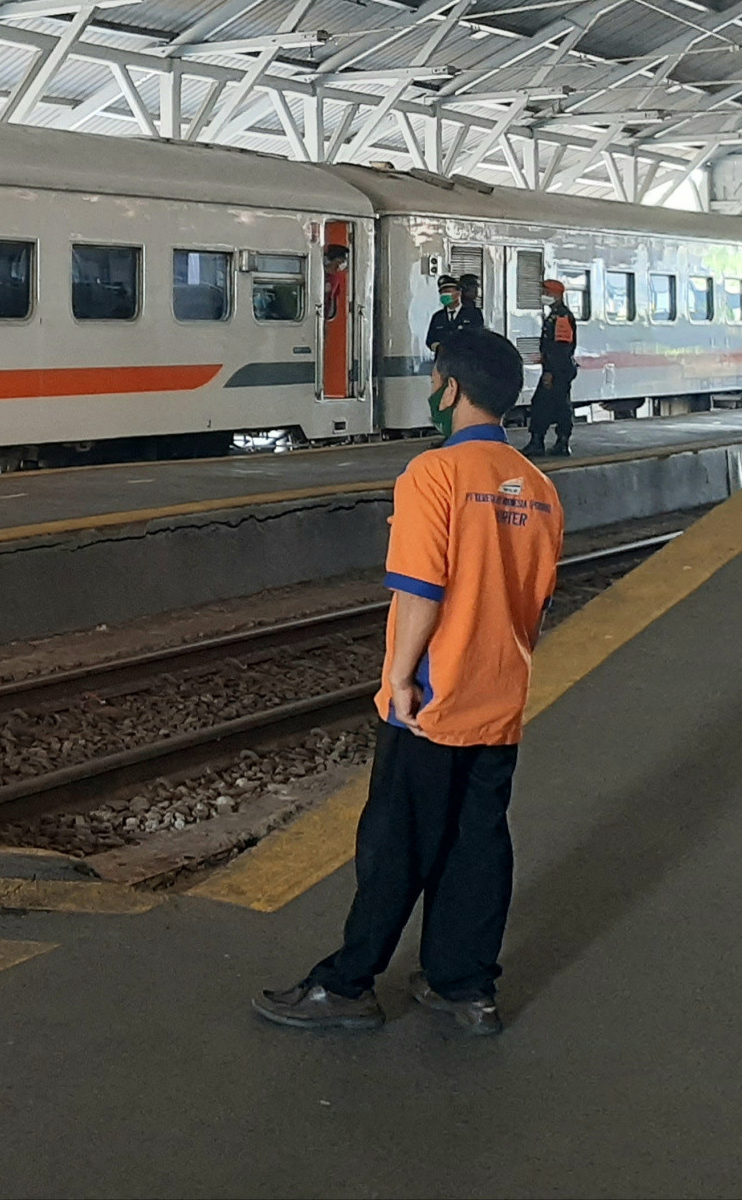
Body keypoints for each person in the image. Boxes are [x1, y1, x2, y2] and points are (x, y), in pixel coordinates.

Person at [255, 329, 562, 1037]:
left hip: (430, 698)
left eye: (434, 379)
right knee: (477, 839)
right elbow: (537, 601)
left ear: (450, 390)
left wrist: (399, 678)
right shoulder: (540, 489)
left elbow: (423, 588)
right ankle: (466, 988)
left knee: (397, 841)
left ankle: (348, 985)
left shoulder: (433, 475)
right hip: (500, 694)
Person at [526, 278, 579, 456]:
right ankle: (555, 441)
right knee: (556, 404)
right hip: (558, 368)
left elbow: (561, 348)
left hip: (559, 370)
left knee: (546, 404)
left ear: (556, 295)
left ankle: (547, 442)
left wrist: (550, 372)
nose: (544, 296)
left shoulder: (561, 317)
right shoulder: (555, 315)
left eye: (547, 293)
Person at [423, 275, 483, 355]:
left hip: (465, 361)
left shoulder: (473, 314)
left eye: (448, 291)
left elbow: (478, 338)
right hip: (443, 362)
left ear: (458, 293)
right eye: (442, 292)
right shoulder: (438, 317)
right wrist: (438, 348)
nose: (444, 295)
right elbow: (430, 340)